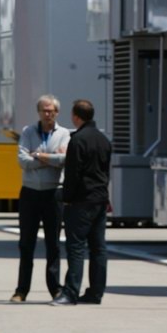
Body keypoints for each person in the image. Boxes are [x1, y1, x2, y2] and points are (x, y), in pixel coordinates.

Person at [52, 99, 112, 306]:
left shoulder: (77, 140)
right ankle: (96, 292)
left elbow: (73, 175)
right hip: (100, 199)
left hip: (80, 202)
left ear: (75, 116)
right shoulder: (104, 140)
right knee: (98, 248)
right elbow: (105, 172)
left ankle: (70, 292)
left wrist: (66, 199)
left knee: (76, 248)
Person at [11, 95, 69, 303]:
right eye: (44, 110)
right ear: (39, 112)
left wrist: (39, 156)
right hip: (30, 192)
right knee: (26, 243)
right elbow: (22, 160)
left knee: (53, 244)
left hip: (53, 193)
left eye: (52, 111)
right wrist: (50, 158)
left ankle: (55, 288)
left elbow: (65, 159)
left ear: (57, 112)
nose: (48, 114)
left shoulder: (64, 134)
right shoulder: (28, 132)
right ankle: (21, 290)